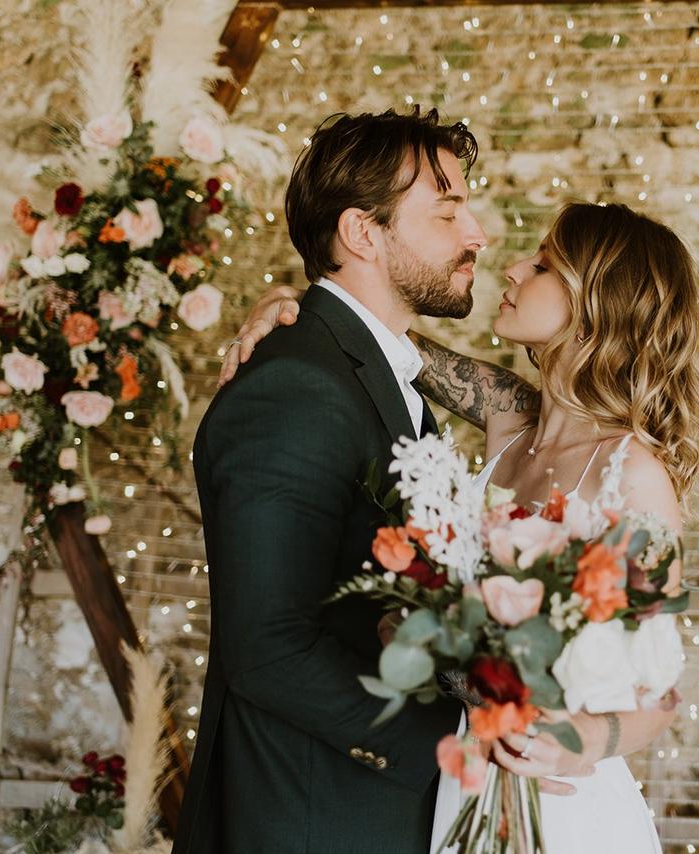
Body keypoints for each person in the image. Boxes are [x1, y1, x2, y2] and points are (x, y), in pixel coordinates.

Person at [221, 200, 699, 852]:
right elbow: (374, 336)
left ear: (597, 301)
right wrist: (294, 310)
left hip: (561, 805)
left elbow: (661, 689)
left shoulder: (634, 473)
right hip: (464, 791)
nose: (510, 268)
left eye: (542, 264)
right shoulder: (512, 420)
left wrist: (589, 741)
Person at [173, 108, 488, 853]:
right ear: (363, 234)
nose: (476, 233)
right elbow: (271, 650)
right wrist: (459, 744)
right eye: (448, 212)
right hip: (316, 818)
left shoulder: (377, 375)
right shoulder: (296, 389)